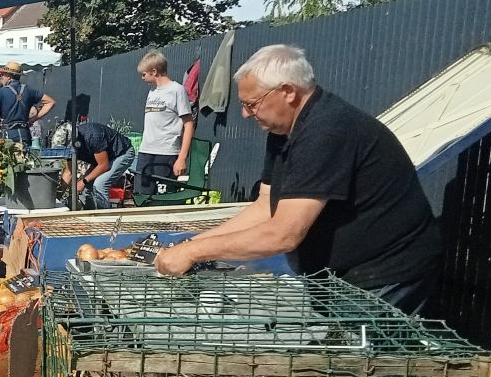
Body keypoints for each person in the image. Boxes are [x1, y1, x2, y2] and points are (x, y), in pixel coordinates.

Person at [155, 44, 443, 313]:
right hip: (335, 273)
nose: (244, 113)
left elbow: (284, 233)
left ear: (288, 92)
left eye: (252, 104)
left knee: (370, 361)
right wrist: (189, 247)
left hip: (384, 272)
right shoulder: (282, 130)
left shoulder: (327, 131)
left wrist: (194, 251)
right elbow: (265, 206)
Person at [134, 50, 195, 196]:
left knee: (162, 198)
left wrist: (181, 158)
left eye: (144, 74)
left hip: (166, 153)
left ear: (154, 71)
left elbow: (189, 124)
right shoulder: (152, 92)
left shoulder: (177, 90)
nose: (142, 78)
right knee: (141, 196)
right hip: (146, 151)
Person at [65, 120, 136, 210]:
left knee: (99, 185)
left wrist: (83, 181)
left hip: (122, 153)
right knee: (88, 188)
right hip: (102, 159)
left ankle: (104, 219)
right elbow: (69, 172)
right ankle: (90, 216)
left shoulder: (93, 135)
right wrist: (57, 196)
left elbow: (104, 165)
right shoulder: (67, 147)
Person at [0, 61, 54, 146]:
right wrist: (34, 119)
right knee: (24, 157)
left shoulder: (2, 92)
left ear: (8, 76)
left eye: (2, 75)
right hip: (24, 133)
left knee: (7, 158)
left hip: (8, 134)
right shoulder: (29, 90)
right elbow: (50, 102)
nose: (2, 77)